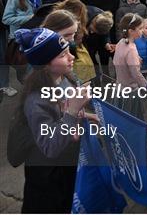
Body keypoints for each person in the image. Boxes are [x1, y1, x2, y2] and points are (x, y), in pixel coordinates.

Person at [13, 27, 94, 213]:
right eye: (63, 55)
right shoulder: (36, 101)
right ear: (45, 65)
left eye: (68, 50)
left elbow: (64, 115)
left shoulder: (64, 78)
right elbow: (50, 146)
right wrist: (73, 111)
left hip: (66, 168)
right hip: (48, 179)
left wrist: (89, 116)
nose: (71, 57)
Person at [111, 13, 147, 120]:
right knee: (134, 114)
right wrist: (146, 86)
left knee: (124, 114)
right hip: (130, 89)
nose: (142, 30)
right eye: (140, 28)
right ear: (131, 31)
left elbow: (117, 60)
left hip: (120, 85)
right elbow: (136, 73)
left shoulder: (121, 42)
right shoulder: (131, 49)